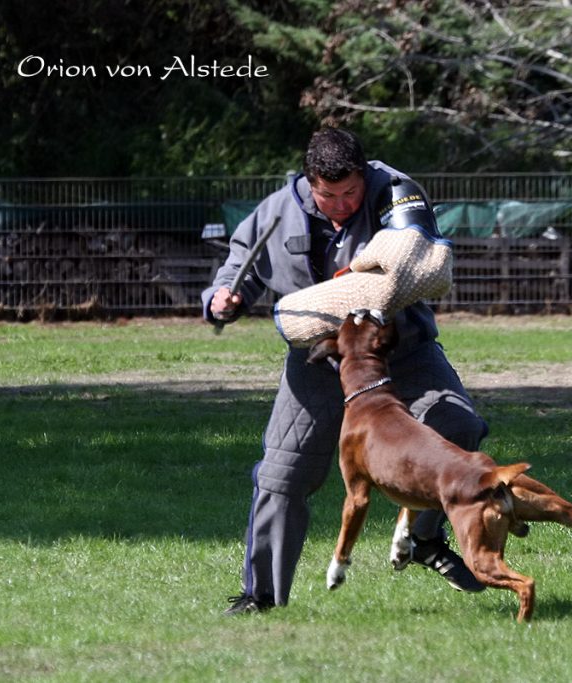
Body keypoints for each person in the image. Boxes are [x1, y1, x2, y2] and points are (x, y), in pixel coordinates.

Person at [203, 127, 488, 615]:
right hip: (318, 360)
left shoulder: (395, 190)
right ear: (308, 181)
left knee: (458, 424)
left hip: (399, 351)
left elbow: (414, 253)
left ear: (364, 174)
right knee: (282, 474)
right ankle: (261, 597)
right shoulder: (275, 211)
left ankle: (424, 537)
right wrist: (221, 299)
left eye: (350, 193)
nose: (340, 204)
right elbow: (239, 270)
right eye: (327, 195)